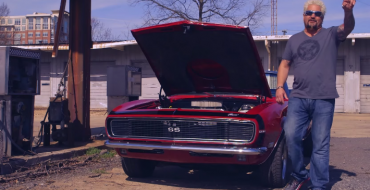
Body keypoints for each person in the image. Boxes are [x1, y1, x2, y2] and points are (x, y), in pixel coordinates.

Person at [275, 0, 356, 189]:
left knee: (320, 144)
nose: (313, 15)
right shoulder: (294, 39)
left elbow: (348, 27)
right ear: (304, 15)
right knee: (291, 135)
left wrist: (348, 12)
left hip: (324, 98)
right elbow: (285, 64)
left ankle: (318, 185)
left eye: (317, 14)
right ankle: (300, 175)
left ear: (322, 18)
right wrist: (279, 86)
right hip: (298, 97)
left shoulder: (331, 34)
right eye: (310, 12)